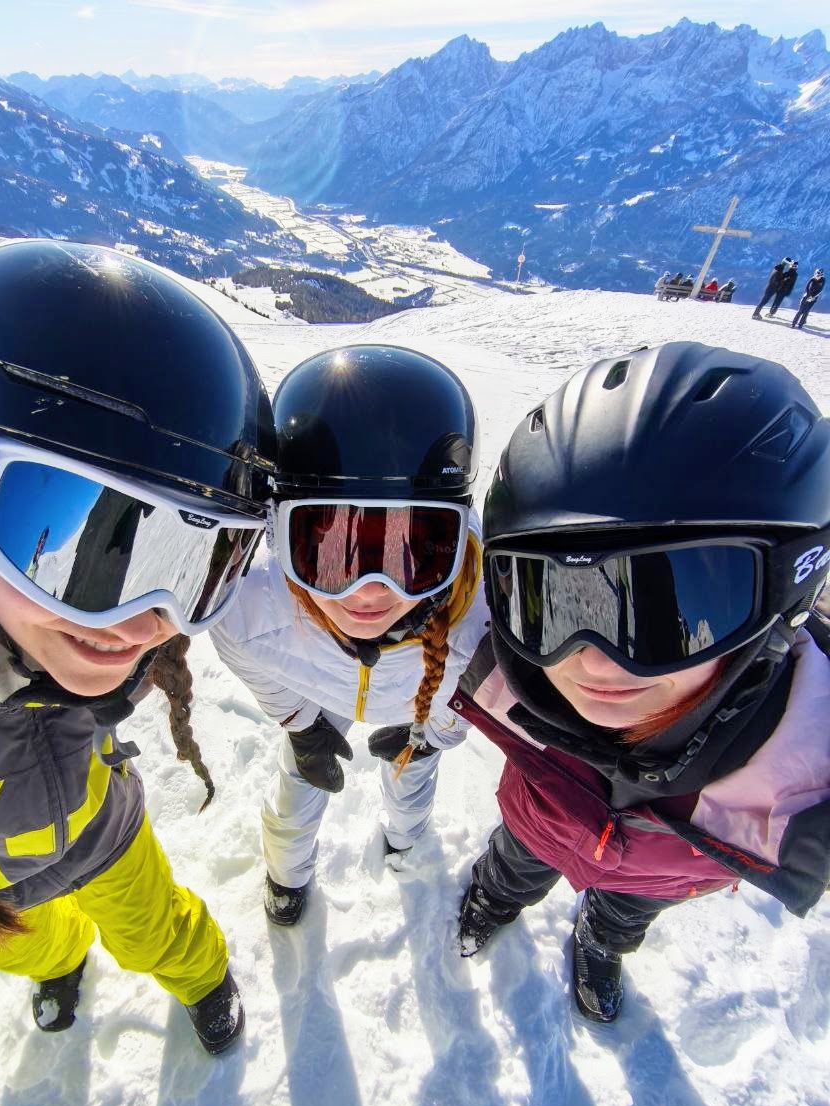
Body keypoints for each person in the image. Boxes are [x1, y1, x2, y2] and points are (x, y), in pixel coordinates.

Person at [0, 239, 276, 1052]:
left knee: (157, 927)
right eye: (62, 546)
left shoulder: (72, 636)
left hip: (96, 833)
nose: (134, 625)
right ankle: (58, 963)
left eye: (194, 566)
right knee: (37, 944)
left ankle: (200, 978)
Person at [453, 341, 830, 1023]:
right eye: (552, 602)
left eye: (676, 612)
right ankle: (497, 894)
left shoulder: (807, 791)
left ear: (785, 596)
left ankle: (603, 938)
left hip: (667, 871)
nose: (594, 665)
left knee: (631, 906)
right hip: (541, 819)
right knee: (517, 856)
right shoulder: (518, 683)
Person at [211, 345, 488, 924]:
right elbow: (251, 660)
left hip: (413, 699)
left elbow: (470, 698)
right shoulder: (251, 603)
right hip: (326, 695)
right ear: (276, 529)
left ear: (458, 538)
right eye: (329, 546)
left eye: (415, 551)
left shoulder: (479, 621)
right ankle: (289, 872)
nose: (367, 592)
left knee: (410, 779)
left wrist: (432, 733)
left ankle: (405, 840)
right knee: (298, 786)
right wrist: (303, 726)